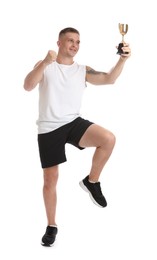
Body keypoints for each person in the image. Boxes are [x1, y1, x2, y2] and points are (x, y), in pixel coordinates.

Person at [23, 27, 131, 246]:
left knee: (108, 139)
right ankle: (51, 226)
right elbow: (28, 86)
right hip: (49, 128)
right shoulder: (46, 66)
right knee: (50, 180)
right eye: (70, 40)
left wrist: (122, 60)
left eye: (78, 42)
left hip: (73, 122)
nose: (74, 45)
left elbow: (109, 79)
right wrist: (44, 62)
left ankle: (92, 182)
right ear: (59, 43)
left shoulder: (82, 70)